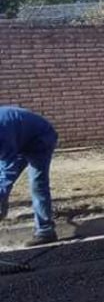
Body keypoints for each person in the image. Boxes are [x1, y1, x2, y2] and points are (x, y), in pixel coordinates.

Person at [0, 106, 59, 247]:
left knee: (37, 183)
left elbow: (8, 168)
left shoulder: (2, 132)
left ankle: (45, 230)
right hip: (20, 137)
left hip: (40, 138)